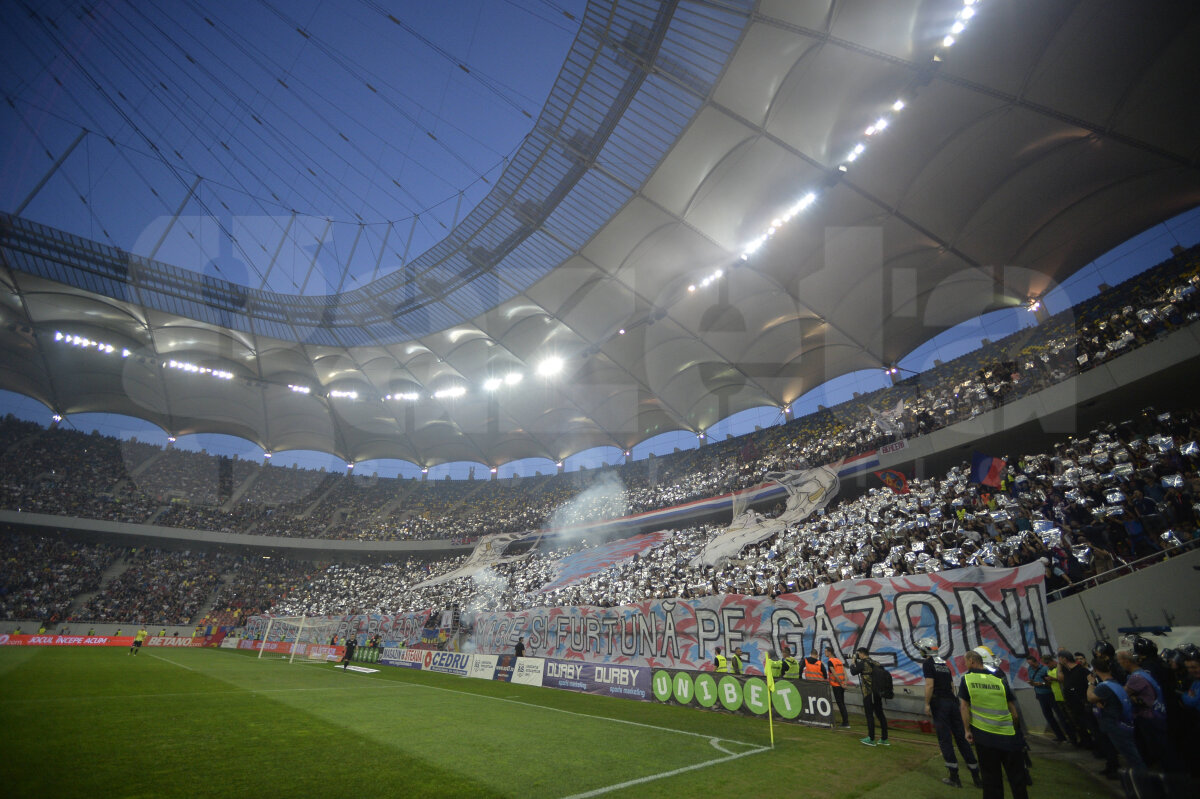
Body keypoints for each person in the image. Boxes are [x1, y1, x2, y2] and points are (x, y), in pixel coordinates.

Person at [958, 649, 1028, 798]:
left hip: (985, 737)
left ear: (972, 660)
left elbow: (964, 707)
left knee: (991, 779)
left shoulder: (967, 680)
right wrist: (1014, 730)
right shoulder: (999, 679)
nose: (965, 664)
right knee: (1017, 779)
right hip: (1009, 736)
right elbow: (1014, 713)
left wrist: (967, 730)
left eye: (966, 661)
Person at [920, 637, 981, 787]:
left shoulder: (928, 663)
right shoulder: (942, 662)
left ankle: (954, 778)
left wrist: (927, 704)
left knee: (945, 739)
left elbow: (929, 685)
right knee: (961, 738)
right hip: (952, 702)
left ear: (925, 650)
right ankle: (976, 778)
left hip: (940, 703)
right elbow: (951, 684)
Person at [1115, 649, 1176, 773]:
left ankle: (1170, 778)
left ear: (1127, 662)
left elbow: (1121, 694)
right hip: (1156, 715)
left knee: (1160, 749)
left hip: (1150, 717)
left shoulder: (1136, 678)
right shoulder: (1143, 673)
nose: (1119, 664)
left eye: (1120, 661)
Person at [1087, 657, 1146, 781]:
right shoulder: (1115, 683)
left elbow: (1091, 698)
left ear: (1096, 670)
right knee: (1129, 752)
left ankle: (1143, 781)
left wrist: (1091, 683)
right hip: (1122, 721)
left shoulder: (1104, 686)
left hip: (1115, 723)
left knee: (1130, 754)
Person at [849, 647, 889, 747]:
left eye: (858, 654)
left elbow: (853, 672)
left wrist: (853, 662)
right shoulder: (876, 663)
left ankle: (871, 738)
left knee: (869, 715)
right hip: (878, 693)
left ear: (862, 654)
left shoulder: (863, 663)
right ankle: (884, 739)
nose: (858, 655)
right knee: (880, 714)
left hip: (868, 693)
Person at [1026, 652, 1069, 743]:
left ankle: (1069, 735)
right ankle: (1059, 736)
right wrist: (1032, 683)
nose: (1031, 666)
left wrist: (1042, 684)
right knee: (1048, 716)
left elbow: (1051, 682)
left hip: (1050, 693)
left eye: (1031, 664)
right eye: (1029, 664)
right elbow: (1031, 678)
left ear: (1036, 662)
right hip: (1040, 695)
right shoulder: (1030, 669)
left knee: (1060, 715)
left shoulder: (1045, 669)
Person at [1058, 649, 1095, 749]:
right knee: (1078, 724)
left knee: (1089, 724)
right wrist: (1060, 667)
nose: (1059, 661)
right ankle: (1086, 742)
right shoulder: (1066, 671)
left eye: (1060, 659)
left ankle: (1095, 744)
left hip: (1082, 701)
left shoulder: (1081, 670)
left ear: (1064, 659)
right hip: (1072, 702)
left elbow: (1091, 681)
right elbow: (1060, 679)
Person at [823, 645, 850, 728]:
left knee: (840, 703)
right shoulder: (838, 661)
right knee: (842, 703)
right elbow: (845, 672)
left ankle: (845, 723)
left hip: (836, 685)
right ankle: (846, 721)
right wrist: (845, 682)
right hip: (841, 685)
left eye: (826, 651)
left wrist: (841, 683)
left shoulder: (830, 661)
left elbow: (834, 674)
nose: (825, 653)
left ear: (829, 652)